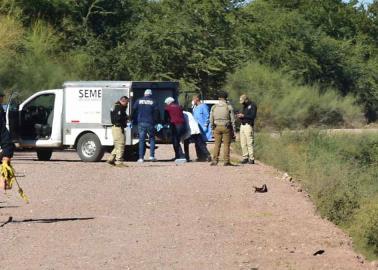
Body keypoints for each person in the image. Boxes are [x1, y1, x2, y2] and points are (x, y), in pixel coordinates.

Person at [133, 89, 160, 163]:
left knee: (141, 140)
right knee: (152, 139)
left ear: (144, 94)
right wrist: (157, 122)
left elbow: (134, 110)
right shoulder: (153, 101)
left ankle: (141, 158)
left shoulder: (138, 100)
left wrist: (133, 120)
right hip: (150, 123)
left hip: (141, 123)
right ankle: (151, 156)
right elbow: (157, 112)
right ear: (150, 94)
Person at [210, 91, 236, 166]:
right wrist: (234, 131)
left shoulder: (214, 107)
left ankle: (215, 160)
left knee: (217, 144)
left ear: (219, 98)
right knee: (226, 145)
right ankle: (226, 161)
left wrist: (212, 128)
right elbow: (233, 120)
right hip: (226, 127)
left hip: (216, 127)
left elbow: (211, 119)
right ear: (226, 98)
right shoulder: (229, 107)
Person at [107, 96, 129, 167]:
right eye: (127, 102)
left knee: (117, 145)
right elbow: (118, 118)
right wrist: (126, 118)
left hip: (115, 128)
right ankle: (119, 162)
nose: (127, 105)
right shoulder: (118, 108)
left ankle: (111, 159)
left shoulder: (115, 106)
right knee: (120, 144)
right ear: (123, 101)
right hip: (118, 128)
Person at [164, 97, 186, 163]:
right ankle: (179, 155)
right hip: (182, 125)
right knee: (178, 140)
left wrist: (166, 124)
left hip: (175, 125)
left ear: (168, 102)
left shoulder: (167, 108)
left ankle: (180, 155)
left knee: (175, 141)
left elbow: (166, 118)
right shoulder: (179, 107)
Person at [237, 94, 257, 164]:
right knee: (243, 143)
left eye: (243, 101)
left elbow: (253, 116)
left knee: (249, 142)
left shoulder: (252, 105)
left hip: (248, 125)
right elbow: (242, 114)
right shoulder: (243, 106)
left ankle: (251, 159)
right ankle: (245, 157)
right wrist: (240, 115)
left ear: (246, 100)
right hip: (242, 125)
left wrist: (244, 116)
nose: (242, 103)